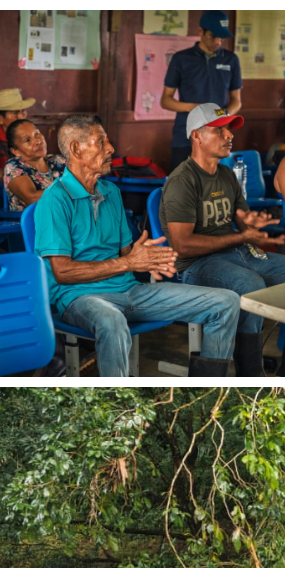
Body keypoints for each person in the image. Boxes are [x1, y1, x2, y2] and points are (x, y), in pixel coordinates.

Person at [33, 114, 240, 377]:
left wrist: (149, 260)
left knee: (226, 302)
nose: (110, 149)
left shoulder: (111, 192)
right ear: (76, 148)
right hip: (79, 297)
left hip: (130, 290)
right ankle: (119, 404)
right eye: (100, 142)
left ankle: (208, 387)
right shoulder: (54, 200)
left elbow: (125, 255)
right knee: (111, 321)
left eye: (108, 141)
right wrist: (130, 262)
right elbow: (63, 272)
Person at [160, 103, 285, 377]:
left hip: (237, 254)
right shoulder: (183, 180)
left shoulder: (227, 174)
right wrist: (241, 235)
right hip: (196, 265)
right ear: (196, 135)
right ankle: (251, 372)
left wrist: (251, 222)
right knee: (251, 285)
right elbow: (182, 245)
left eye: (229, 129)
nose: (229, 135)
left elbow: (242, 220)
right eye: (219, 130)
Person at [161, 11, 242, 172]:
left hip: (217, 137)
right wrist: (192, 107)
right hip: (185, 136)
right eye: (213, 36)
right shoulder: (181, 59)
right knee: (181, 189)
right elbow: (166, 100)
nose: (218, 42)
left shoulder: (231, 59)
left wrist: (224, 114)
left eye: (222, 37)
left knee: (214, 190)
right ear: (201, 32)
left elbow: (236, 100)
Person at [2, 119, 66, 212]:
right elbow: (32, 198)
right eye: (27, 140)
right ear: (15, 151)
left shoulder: (58, 161)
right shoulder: (14, 167)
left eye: (37, 134)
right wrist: (72, 191)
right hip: (31, 224)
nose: (37, 141)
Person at [0, 88, 35, 183]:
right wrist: (27, 178)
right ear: (0, 119)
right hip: (1, 191)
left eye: (23, 112)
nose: (21, 117)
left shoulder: (31, 136)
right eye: (15, 113)